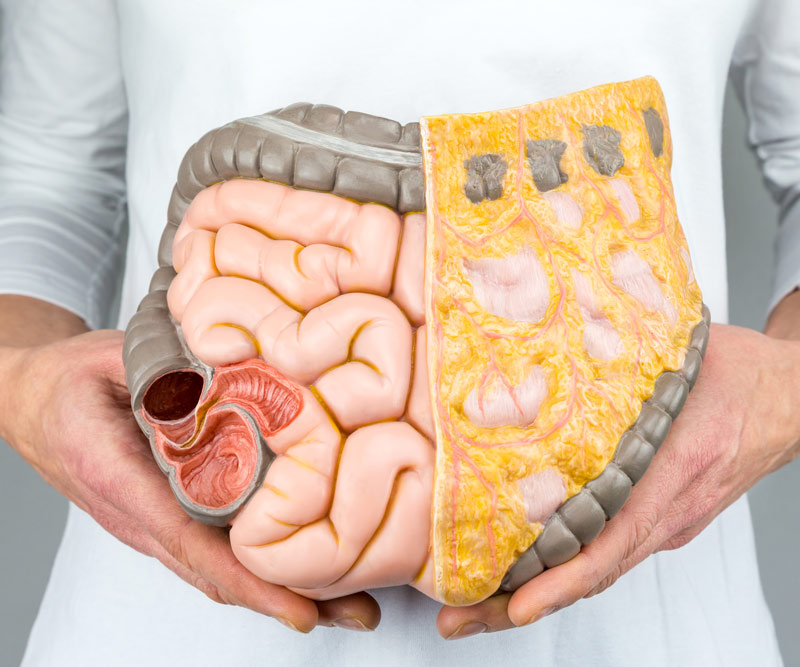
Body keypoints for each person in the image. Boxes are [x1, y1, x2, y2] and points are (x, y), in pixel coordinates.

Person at [0, 0, 797, 664]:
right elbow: (41, 176)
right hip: (164, 629)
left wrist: (784, 391)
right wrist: (19, 384)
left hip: (650, 630)